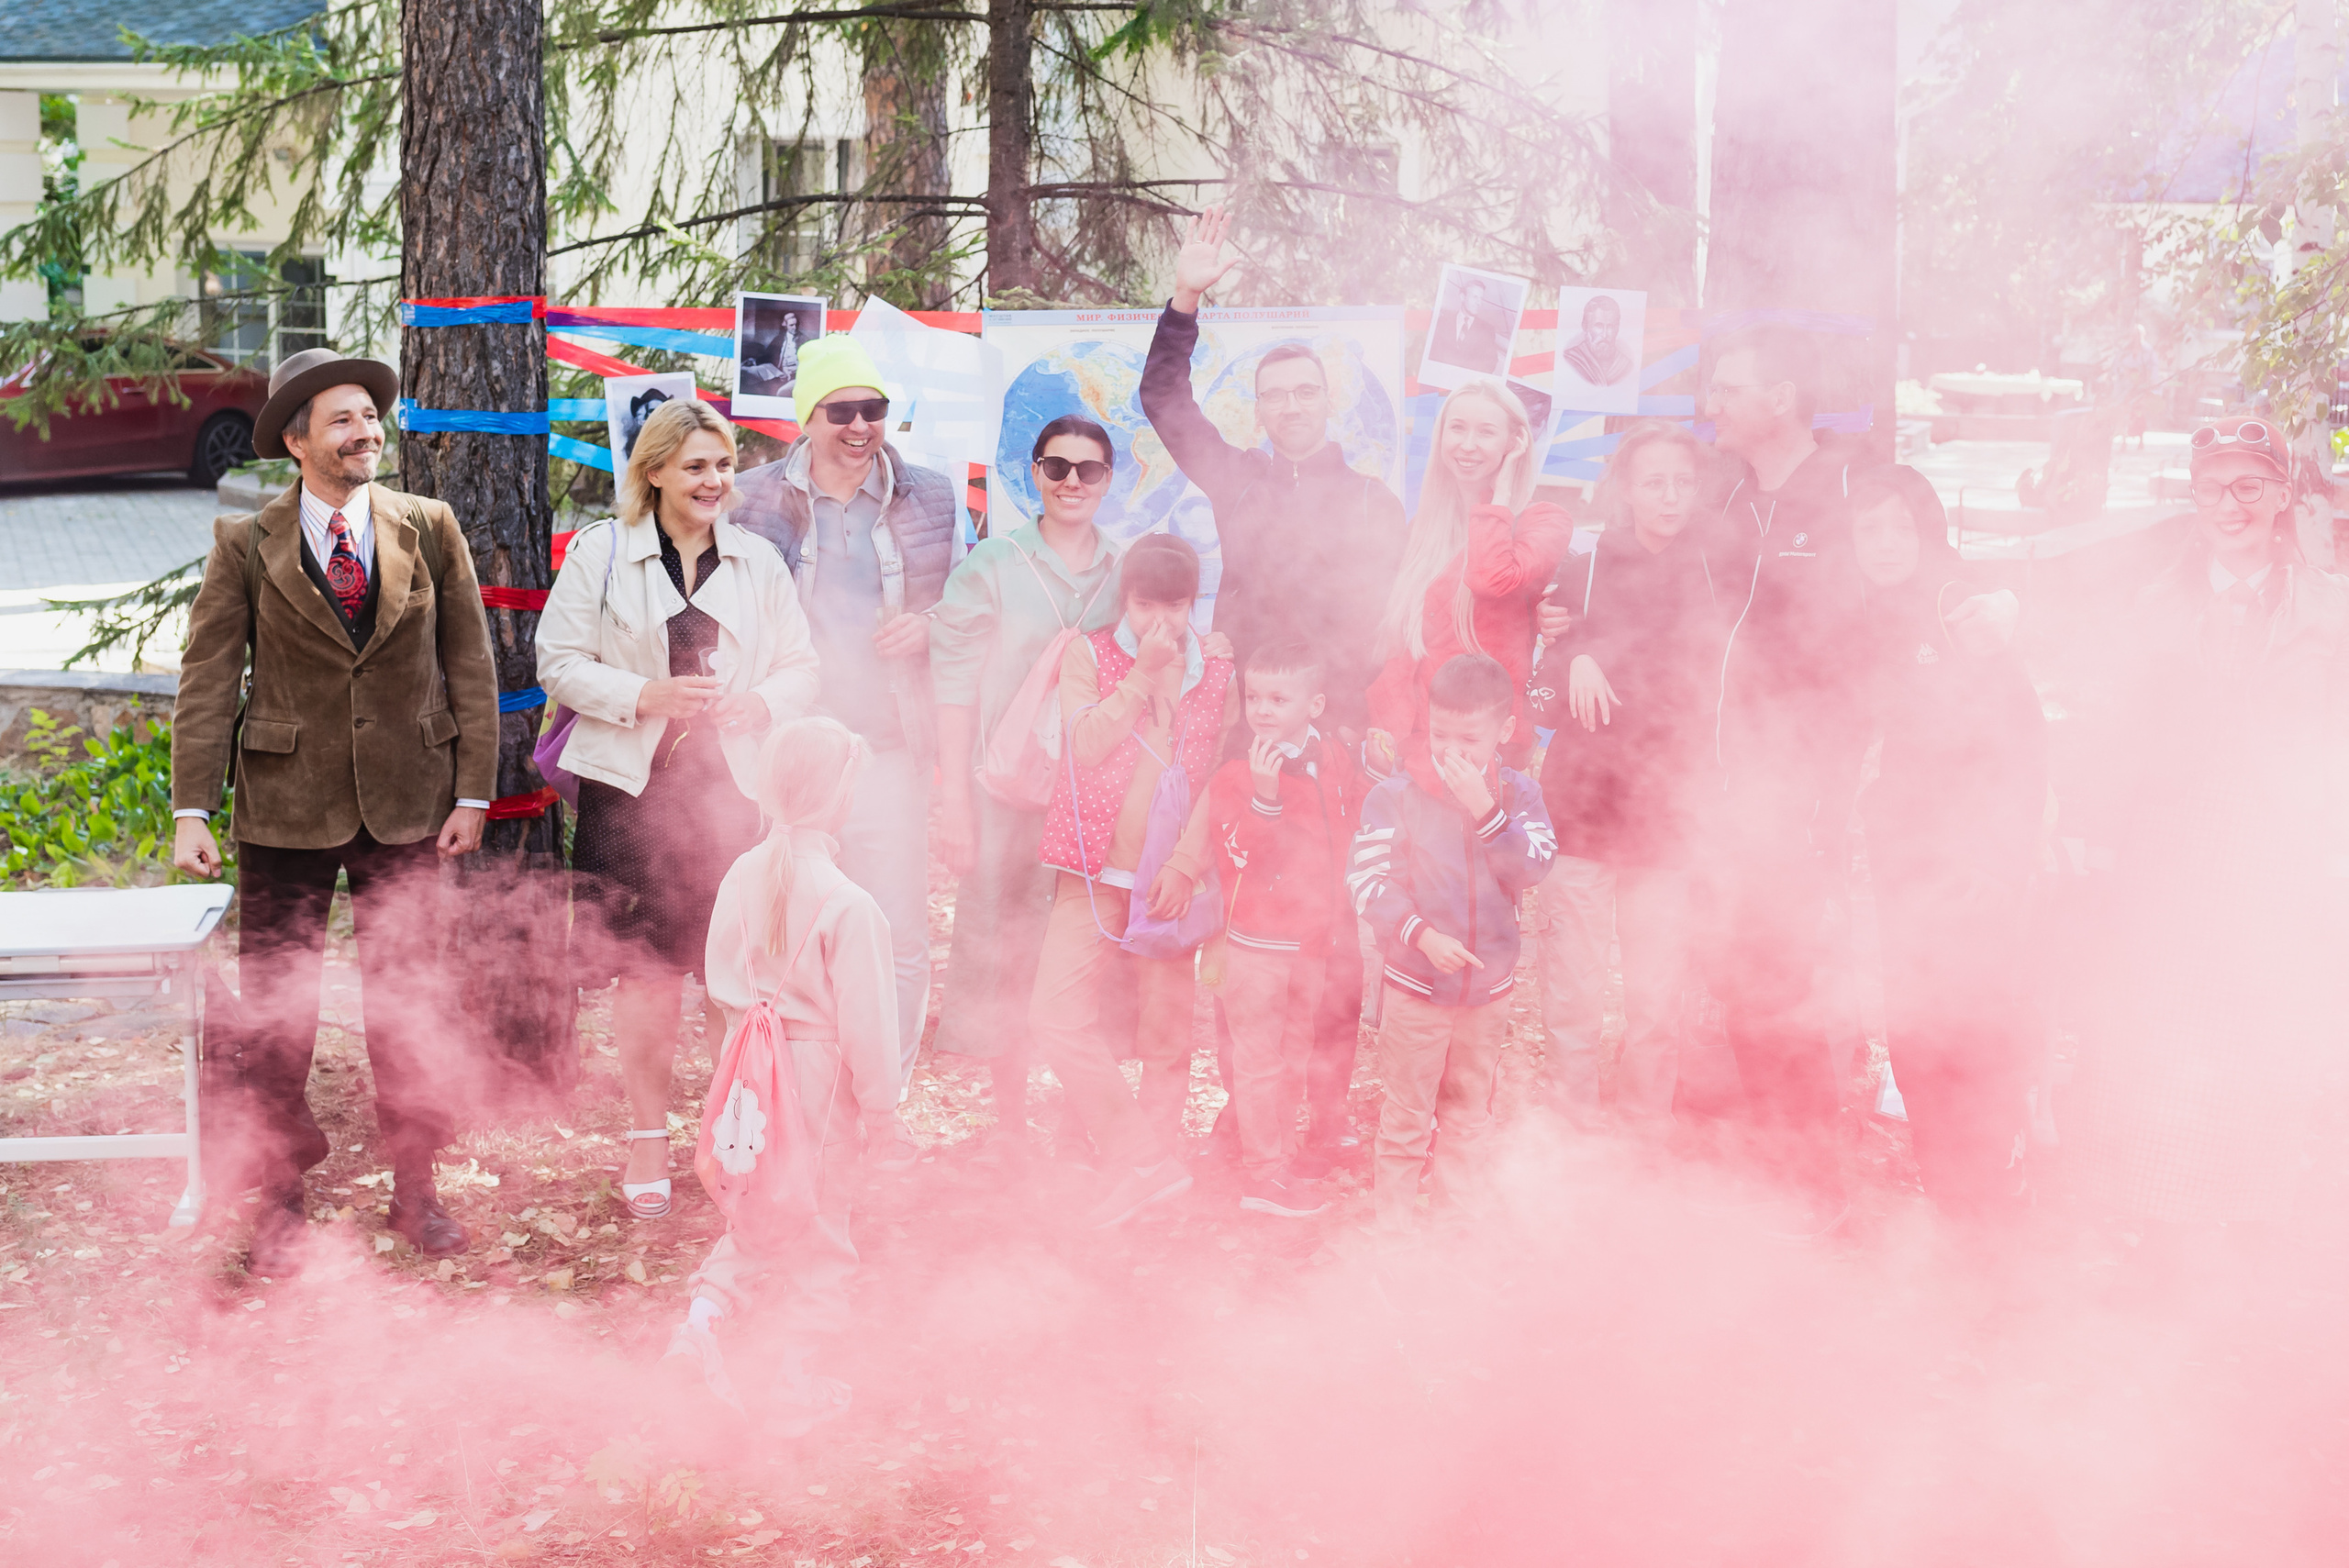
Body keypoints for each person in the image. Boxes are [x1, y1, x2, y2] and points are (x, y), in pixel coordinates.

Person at [170, 348, 500, 1276]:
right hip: (283, 808)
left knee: (408, 1005)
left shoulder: (428, 527)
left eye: (370, 416)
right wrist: (193, 806)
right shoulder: (247, 542)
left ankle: (416, 1188)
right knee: (280, 1017)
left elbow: (469, 662)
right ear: (296, 440)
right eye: (344, 421)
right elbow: (206, 679)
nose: (366, 434)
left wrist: (472, 789)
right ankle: (278, 1202)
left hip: (412, 804)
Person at [1142, 206, 1406, 1157]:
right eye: (1275, 396)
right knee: (1244, 925)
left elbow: (1387, 629)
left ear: (1327, 401)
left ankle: (1326, 1115)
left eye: (1304, 393)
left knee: (1331, 932)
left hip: (1334, 744)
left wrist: (1365, 724)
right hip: (1246, 739)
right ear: (1261, 409)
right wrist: (1185, 297)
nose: (1290, 407)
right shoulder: (1239, 480)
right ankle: (1247, 1107)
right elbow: (1163, 404)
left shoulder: (1375, 504)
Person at [2065, 416, 2349, 1241]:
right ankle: (2161, 1223)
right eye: (2212, 487)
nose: (2230, 504)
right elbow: (2109, 724)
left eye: (2249, 485)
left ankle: (2256, 1220)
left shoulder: (2331, 612)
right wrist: (2089, 825)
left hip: (2284, 856)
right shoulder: (2153, 606)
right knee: (2166, 1032)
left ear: (2281, 495)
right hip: (2171, 857)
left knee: (2267, 1026)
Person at [538, 398, 819, 1221]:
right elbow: (555, 660)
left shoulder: (759, 561)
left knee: (733, 977)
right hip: (630, 795)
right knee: (645, 976)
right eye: (695, 465)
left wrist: (760, 704)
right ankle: (646, 1137)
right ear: (654, 470)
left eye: (723, 464)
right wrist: (643, 694)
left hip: (731, 797)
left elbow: (804, 665)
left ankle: (737, 1130)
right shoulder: (601, 552)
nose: (713, 480)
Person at [732, 335, 962, 1083]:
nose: (861, 426)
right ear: (806, 417)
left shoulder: (929, 493)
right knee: (791, 929)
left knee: (895, 929)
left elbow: (966, 604)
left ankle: (881, 1102)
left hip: (889, 746)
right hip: (795, 753)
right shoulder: (754, 495)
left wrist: (929, 627)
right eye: (842, 411)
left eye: (874, 409)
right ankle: (802, 1091)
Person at [662, 717, 900, 1429]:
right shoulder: (849, 905)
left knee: (758, 1214)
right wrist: (884, 1116)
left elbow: (717, 984)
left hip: (747, 1076)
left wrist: (736, 1065)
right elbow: (869, 1027)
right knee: (821, 1226)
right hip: (815, 1082)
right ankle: (797, 1379)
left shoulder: (738, 877)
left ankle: (698, 1328)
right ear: (839, 798)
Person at [1848, 470, 2045, 1228]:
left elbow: (2023, 738)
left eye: (1900, 527)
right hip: (1906, 867)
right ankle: (1952, 1203)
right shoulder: (1875, 612)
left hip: (1968, 875)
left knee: (1971, 1035)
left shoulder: (1953, 605)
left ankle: (1993, 1206)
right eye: (1870, 530)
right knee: (1917, 1034)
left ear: (1927, 531)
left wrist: (1998, 864)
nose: (1886, 545)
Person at [929, 417, 1127, 1149]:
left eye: (1090, 469)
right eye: (1057, 467)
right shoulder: (992, 566)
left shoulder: (1126, 568)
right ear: (1032, 475)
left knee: (1087, 950)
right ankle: (1011, 1125)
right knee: (1004, 944)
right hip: (1005, 797)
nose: (1073, 481)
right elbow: (951, 685)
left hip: (1096, 798)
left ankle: (1082, 1124)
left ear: (1111, 479)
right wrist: (954, 800)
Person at [1030, 534, 1236, 1229]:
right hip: (1093, 872)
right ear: (1126, 599)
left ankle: (1154, 1184)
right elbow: (1083, 746)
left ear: (1192, 603)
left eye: (1175, 607)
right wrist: (1142, 677)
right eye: (1146, 604)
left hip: (1169, 880)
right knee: (1055, 1017)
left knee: (1167, 1039)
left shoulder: (1217, 670)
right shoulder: (1089, 653)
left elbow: (1218, 779)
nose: (1160, 622)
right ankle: (1143, 1160)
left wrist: (1186, 865)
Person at [1524, 422, 1722, 1135]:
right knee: (1573, 990)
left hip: (1668, 815)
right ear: (1626, 490)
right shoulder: (1585, 568)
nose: (1668, 496)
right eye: (1652, 482)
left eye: (1681, 481)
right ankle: (1573, 1129)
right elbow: (1538, 688)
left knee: (1656, 995)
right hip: (1580, 808)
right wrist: (1570, 651)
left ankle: (1645, 1130)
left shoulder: (1716, 566)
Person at [1347, 655, 1556, 1240]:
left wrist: (1487, 813)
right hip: (1416, 990)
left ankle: (1452, 1237)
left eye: (1470, 738)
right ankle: (1391, 1240)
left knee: (1468, 1116)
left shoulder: (1520, 796)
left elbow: (1533, 870)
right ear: (1425, 723)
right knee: (1406, 1120)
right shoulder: (1395, 796)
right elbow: (1367, 880)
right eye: (1441, 735)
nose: (1453, 752)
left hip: (1485, 997)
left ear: (1504, 732)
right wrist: (1421, 936)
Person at [1204, 639, 1368, 1217]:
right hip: (1256, 945)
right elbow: (1234, 857)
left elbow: (1349, 822)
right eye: (1255, 697)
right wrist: (1265, 798)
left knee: (1298, 1054)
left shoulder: (1335, 761)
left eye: (1279, 698)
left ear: (1314, 705)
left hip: (1312, 942)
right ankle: (1263, 1175)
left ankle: (1282, 1154)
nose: (1263, 710)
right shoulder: (1235, 773)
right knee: (1257, 1058)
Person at [1367, 378, 1571, 773]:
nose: (1467, 444)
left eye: (1486, 432)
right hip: (1407, 749)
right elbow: (1400, 643)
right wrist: (1382, 728)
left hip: (1484, 752)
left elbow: (1491, 578)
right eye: (1457, 428)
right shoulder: (1423, 529)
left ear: (1514, 444)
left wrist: (1504, 491)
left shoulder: (1543, 522)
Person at [1427, 276, 1510, 376]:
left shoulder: (1487, 330)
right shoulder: (1441, 322)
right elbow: (1432, 353)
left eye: (1480, 298)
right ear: (1462, 297)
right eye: (1475, 297)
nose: (1479, 303)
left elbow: (1490, 362)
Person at [1560, 295, 1635, 388]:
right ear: (1585, 326)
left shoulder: (1626, 365)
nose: (1604, 335)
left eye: (1610, 327)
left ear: (1617, 329)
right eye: (1598, 326)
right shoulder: (1570, 360)